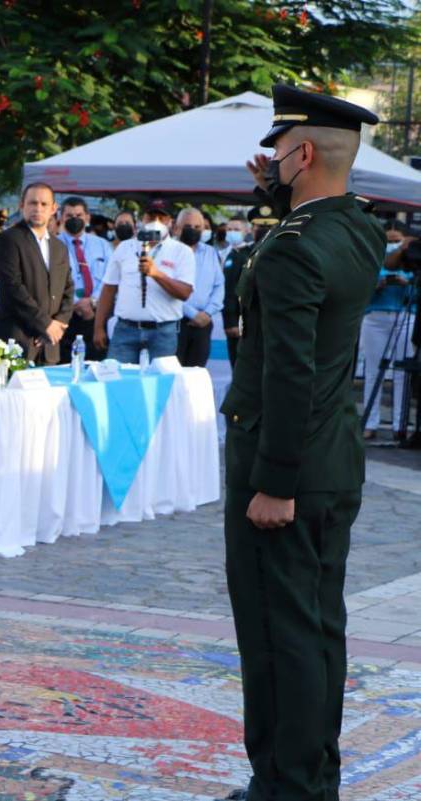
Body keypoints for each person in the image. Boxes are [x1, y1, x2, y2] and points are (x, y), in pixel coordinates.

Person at [221, 85, 382, 801]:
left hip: (285, 466)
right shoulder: (357, 230)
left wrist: (274, 482)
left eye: (280, 152)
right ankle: (314, 777)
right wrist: (278, 200)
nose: (272, 162)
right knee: (318, 629)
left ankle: (284, 786)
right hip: (335, 459)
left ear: (305, 153)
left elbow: (287, 370)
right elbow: (316, 227)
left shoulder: (289, 251)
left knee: (277, 637)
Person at [93, 199, 195, 364]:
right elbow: (109, 289)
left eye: (162, 218)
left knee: (160, 385)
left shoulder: (182, 251)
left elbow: (184, 293)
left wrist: (156, 274)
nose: (156, 222)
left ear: (170, 222)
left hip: (163, 331)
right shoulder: (124, 248)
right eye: (151, 217)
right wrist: (99, 328)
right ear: (141, 219)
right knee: (119, 381)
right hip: (125, 329)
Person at [0, 183, 74, 364]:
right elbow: (12, 288)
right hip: (15, 341)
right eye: (32, 203)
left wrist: (57, 325)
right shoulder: (8, 240)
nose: (38, 208)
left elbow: (67, 289)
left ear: (53, 208)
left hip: (50, 344)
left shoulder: (59, 247)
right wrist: (44, 324)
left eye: (44, 204)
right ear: (22, 205)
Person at [360, 220, 414, 441]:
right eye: (389, 241)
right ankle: (370, 423)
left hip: (404, 317)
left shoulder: (412, 263)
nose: (392, 245)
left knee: (403, 373)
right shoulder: (372, 259)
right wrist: (375, 285)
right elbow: (358, 293)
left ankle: (399, 424)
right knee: (373, 372)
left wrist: (408, 284)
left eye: (397, 241)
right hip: (375, 318)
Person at [58, 196, 112, 360]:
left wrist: (92, 301)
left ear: (87, 217)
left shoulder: (102, 244)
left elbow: (110, 277)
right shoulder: (53, 245)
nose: (74, 219)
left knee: (96, 362)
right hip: (65, 314)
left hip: (96, 314)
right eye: (69, 216)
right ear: (61, 218)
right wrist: (75, 303)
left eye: (79, 215)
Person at [222, 206, 277, 367]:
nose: (264, 230)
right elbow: (230, 289)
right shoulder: (240, 254)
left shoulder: (285, 252)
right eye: (260, 226)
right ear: (252, 229)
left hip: (272, 323)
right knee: (242, 368)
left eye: (269, 227)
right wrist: (230, 321)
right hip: (243, 324)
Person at [175, 207, 225, 367]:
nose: (193, 230)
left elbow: (219, 285)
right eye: (188, 227)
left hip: (204, 323)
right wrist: (192, 314)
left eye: (197, 227)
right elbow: (166, 288)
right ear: (177, 228)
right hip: (176, 321)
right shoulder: (168, 251)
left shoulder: (210, 252)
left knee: (196, 374)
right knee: (174, 375)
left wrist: (208, 313)